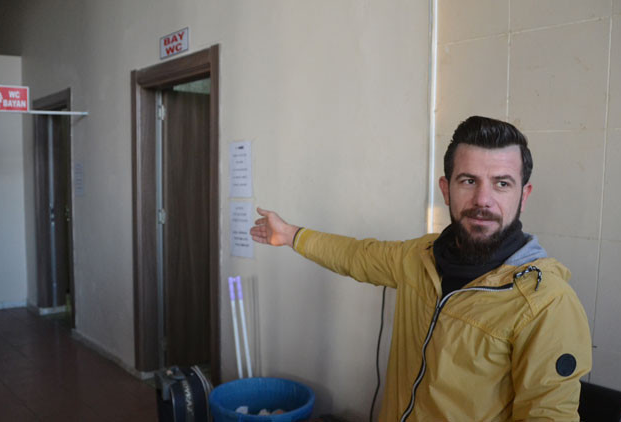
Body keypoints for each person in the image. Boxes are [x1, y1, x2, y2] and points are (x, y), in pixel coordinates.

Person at [250, 116, 592, 421]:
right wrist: (291, 235)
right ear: (446, 189)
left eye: (502, 183)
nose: (483, 200)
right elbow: (356, 256)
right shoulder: (420, 256)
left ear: (524, 195)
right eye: (468, 181)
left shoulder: (546, 302)